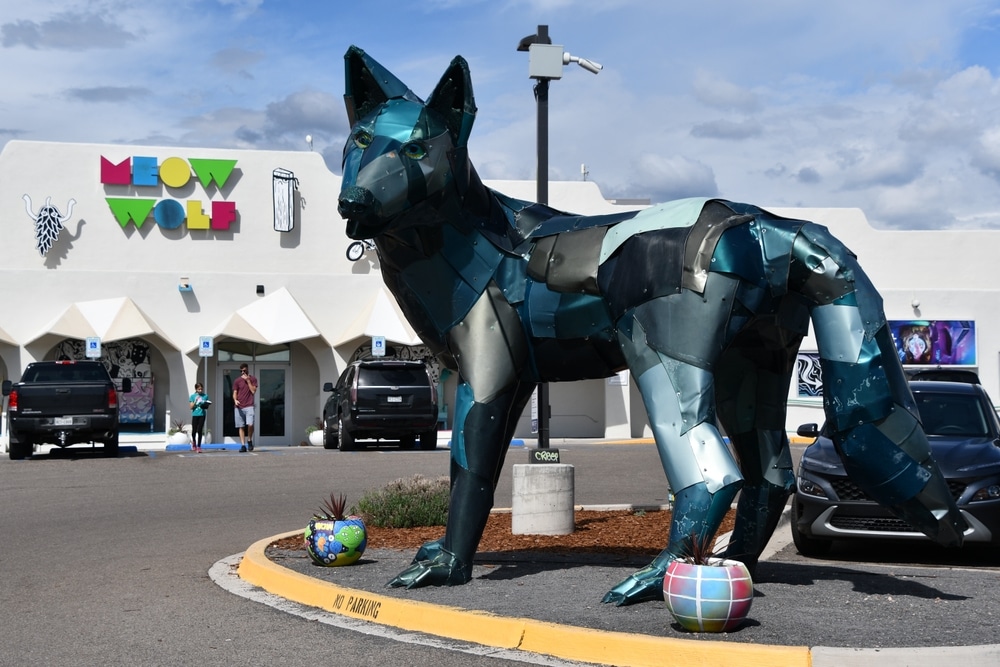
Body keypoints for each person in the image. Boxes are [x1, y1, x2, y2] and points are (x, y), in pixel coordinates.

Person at [232, 363, 257, 452]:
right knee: (241, 426)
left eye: (244, 370)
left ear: (247, 370)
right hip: (239, 406)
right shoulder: (237, 381)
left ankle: (249, 439)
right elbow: (235, 392)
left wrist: (248, 381)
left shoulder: (253, 379)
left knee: (250, 424)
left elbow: (253, 391)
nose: (243, 372)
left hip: (249, 405)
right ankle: (243, 445)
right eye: (241, 371)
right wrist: (235, 400)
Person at [188, 383, 211, 453]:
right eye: (199, 389)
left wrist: (206, 404)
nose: (200, 390)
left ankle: (199, 446)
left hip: (202, 414)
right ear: (196, 389)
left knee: (200, 430)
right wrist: (195, 401)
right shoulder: (192, 396)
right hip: (195, 415)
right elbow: (191, 407)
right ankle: (194, 442)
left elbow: (206, 406)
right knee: (194, 430)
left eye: (201, 389)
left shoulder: (205, 396)